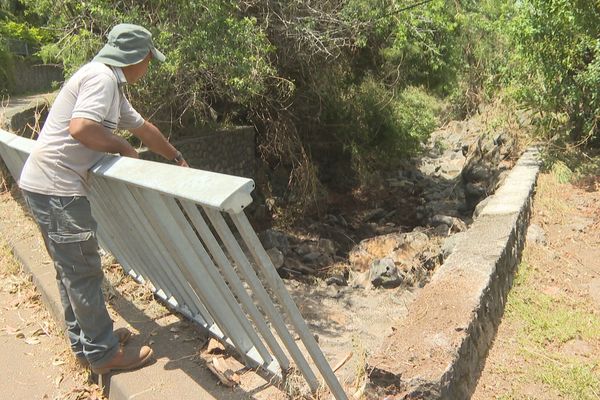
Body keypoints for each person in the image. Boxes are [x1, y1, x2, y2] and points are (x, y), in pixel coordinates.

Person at [18, 23, 187, 374]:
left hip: (46, 186)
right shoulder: (102, 79)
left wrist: (175, 157)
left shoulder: (109, 85)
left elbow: (144, 128)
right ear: (138, 57)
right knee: (83, 272)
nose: (148, 66)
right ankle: (103, 353)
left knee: (70, 272)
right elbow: (80, 127)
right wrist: (123, 147)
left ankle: (88, 345)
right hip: (58, 190)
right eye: (149, 59)